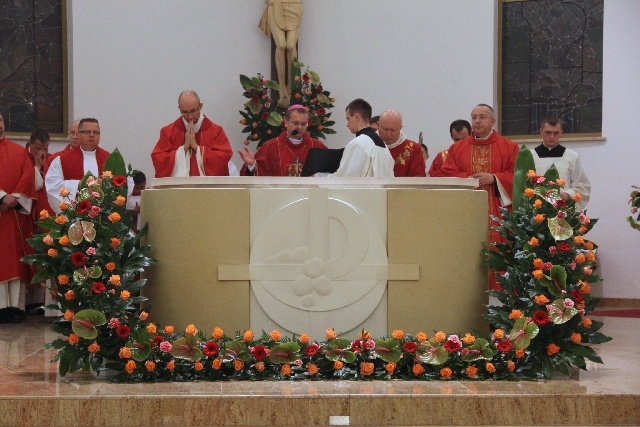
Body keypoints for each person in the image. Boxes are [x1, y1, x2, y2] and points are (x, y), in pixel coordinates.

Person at [440, 104, 519, 290]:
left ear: (492, 121)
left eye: (482, 117)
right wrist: (467, 180)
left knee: (499, 256)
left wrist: (494, 178)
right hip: (465, 213)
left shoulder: (509, 147)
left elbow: (519, 175)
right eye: (474, 117)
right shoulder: (457, 149)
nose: (477, 121)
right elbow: (447, 173)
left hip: (498, 214)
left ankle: (500, 303)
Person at [0, 113, 36, 322]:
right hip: (4, 210)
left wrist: (14, 197)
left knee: (13, 260)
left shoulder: (18, 151)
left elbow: (28, 175)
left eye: (1, 120)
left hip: (13, 217)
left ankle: (14, 307)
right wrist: (2, 196)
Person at [152, 90, 232, 178]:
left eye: (193, 111)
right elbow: (159, 160)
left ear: (200, 106)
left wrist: (197, 148)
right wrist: (184, 148)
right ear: (179, 108)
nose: (190, 116)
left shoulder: (216, 132)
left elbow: (223, 158)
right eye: (185, 112)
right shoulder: (168, 132)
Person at [238, 104, 327, 176]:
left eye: (304, 124)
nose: (300, 127)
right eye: (295, 123)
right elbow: (259, 176)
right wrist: (252, 165)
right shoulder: (270, 147)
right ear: (286, 122)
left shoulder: (317, 146)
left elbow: (332, 174)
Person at [45, 118, 111, 213]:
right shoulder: (61, 160)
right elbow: (52, 186)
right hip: (75, 218)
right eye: (87, 132)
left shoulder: (110, 159)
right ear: (78, 135)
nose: (92, 135)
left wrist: (105, 184)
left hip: (104, 217)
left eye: (96, 132)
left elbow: (124, 185)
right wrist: (78, 185)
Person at [532, 116, 591, 210]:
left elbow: (582, 185)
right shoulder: (531, 156)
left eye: (556, 133)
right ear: (541, 131)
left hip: (563, 208)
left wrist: (568, 193)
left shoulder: (572, 157)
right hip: (537, 209)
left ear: (561, 133)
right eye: (548, 132)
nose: (551, 136)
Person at [329, 98, 394, 177]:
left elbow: (345, 178)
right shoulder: (383, 145)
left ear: (356, 117)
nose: (347, 124)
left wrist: (319, 177)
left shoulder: (358, 144)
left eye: (348, 119)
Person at [259, 0, 303, 107]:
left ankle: (290, 87)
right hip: (276, 4)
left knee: (291, 46)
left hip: (294, 4)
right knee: (281, 45)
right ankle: (281, 88)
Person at [377, 110, 426, 177]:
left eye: (393, 130)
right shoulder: (369, 145)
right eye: (385, 129)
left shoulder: (413, 149)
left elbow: (418, 179)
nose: (388, 134)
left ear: (400, 128)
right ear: (378, 125)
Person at [25, 129, 54, 217]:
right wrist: (37, 165)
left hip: (44, 206)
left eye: (45, 149)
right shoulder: (22, 157)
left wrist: (43, 166)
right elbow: (26, 184)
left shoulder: (51, 159)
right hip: (27, 207)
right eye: (38, 149)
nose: (42, 152)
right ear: (30, 144)